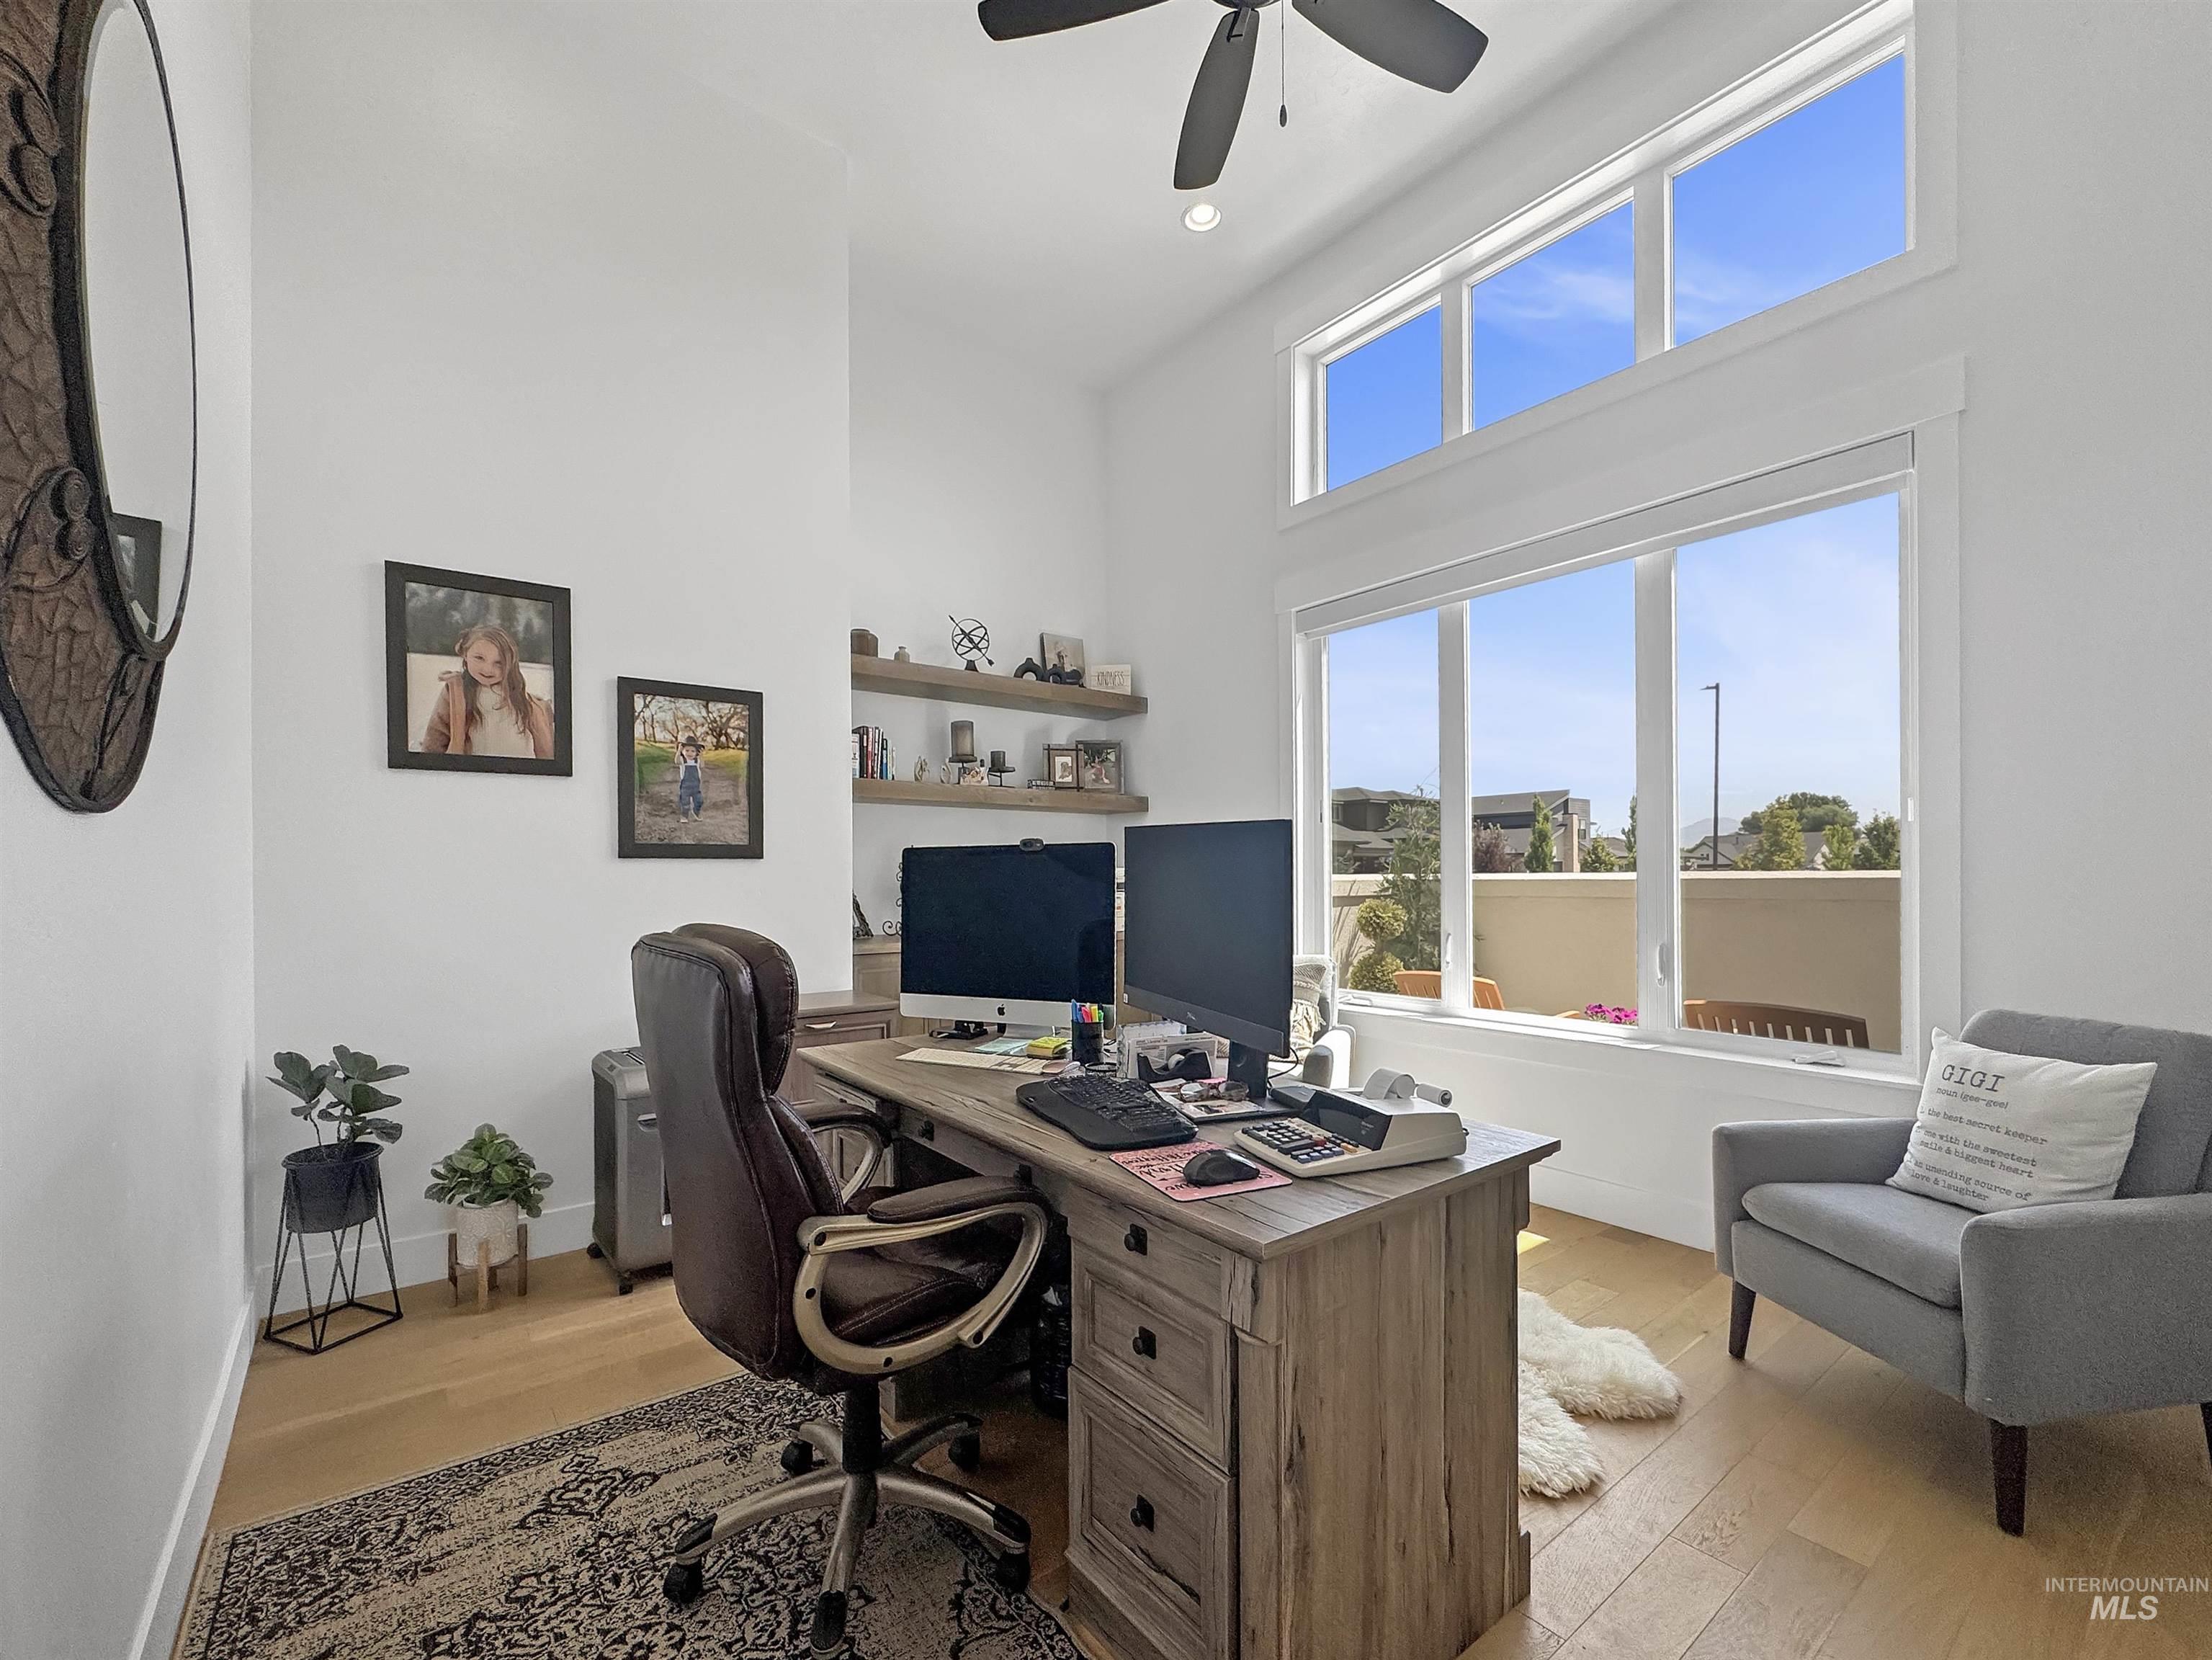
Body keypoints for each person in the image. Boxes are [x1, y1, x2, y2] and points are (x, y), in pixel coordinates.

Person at [420, 624, 555, 759]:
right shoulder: (455, 693)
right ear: (465, 655)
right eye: (479, 658)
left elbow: (546, 753)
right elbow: (434, 743)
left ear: (510, 664)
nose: (488, 670)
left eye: (499, 663)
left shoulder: (522, 699)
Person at [675, 737, 706, 820]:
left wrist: (702, 755)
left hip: (696, 786)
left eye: (693, 751)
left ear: (697, 753)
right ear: (683, 751)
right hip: (685, 786)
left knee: (699, 801)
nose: (690, 753)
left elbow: (702, 765)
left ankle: (696, 812)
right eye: (687, 750)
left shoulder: (697, 761)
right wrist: (678, 751)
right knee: (685, 802)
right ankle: (684, 816)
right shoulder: (683, 761)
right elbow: (677, 761)